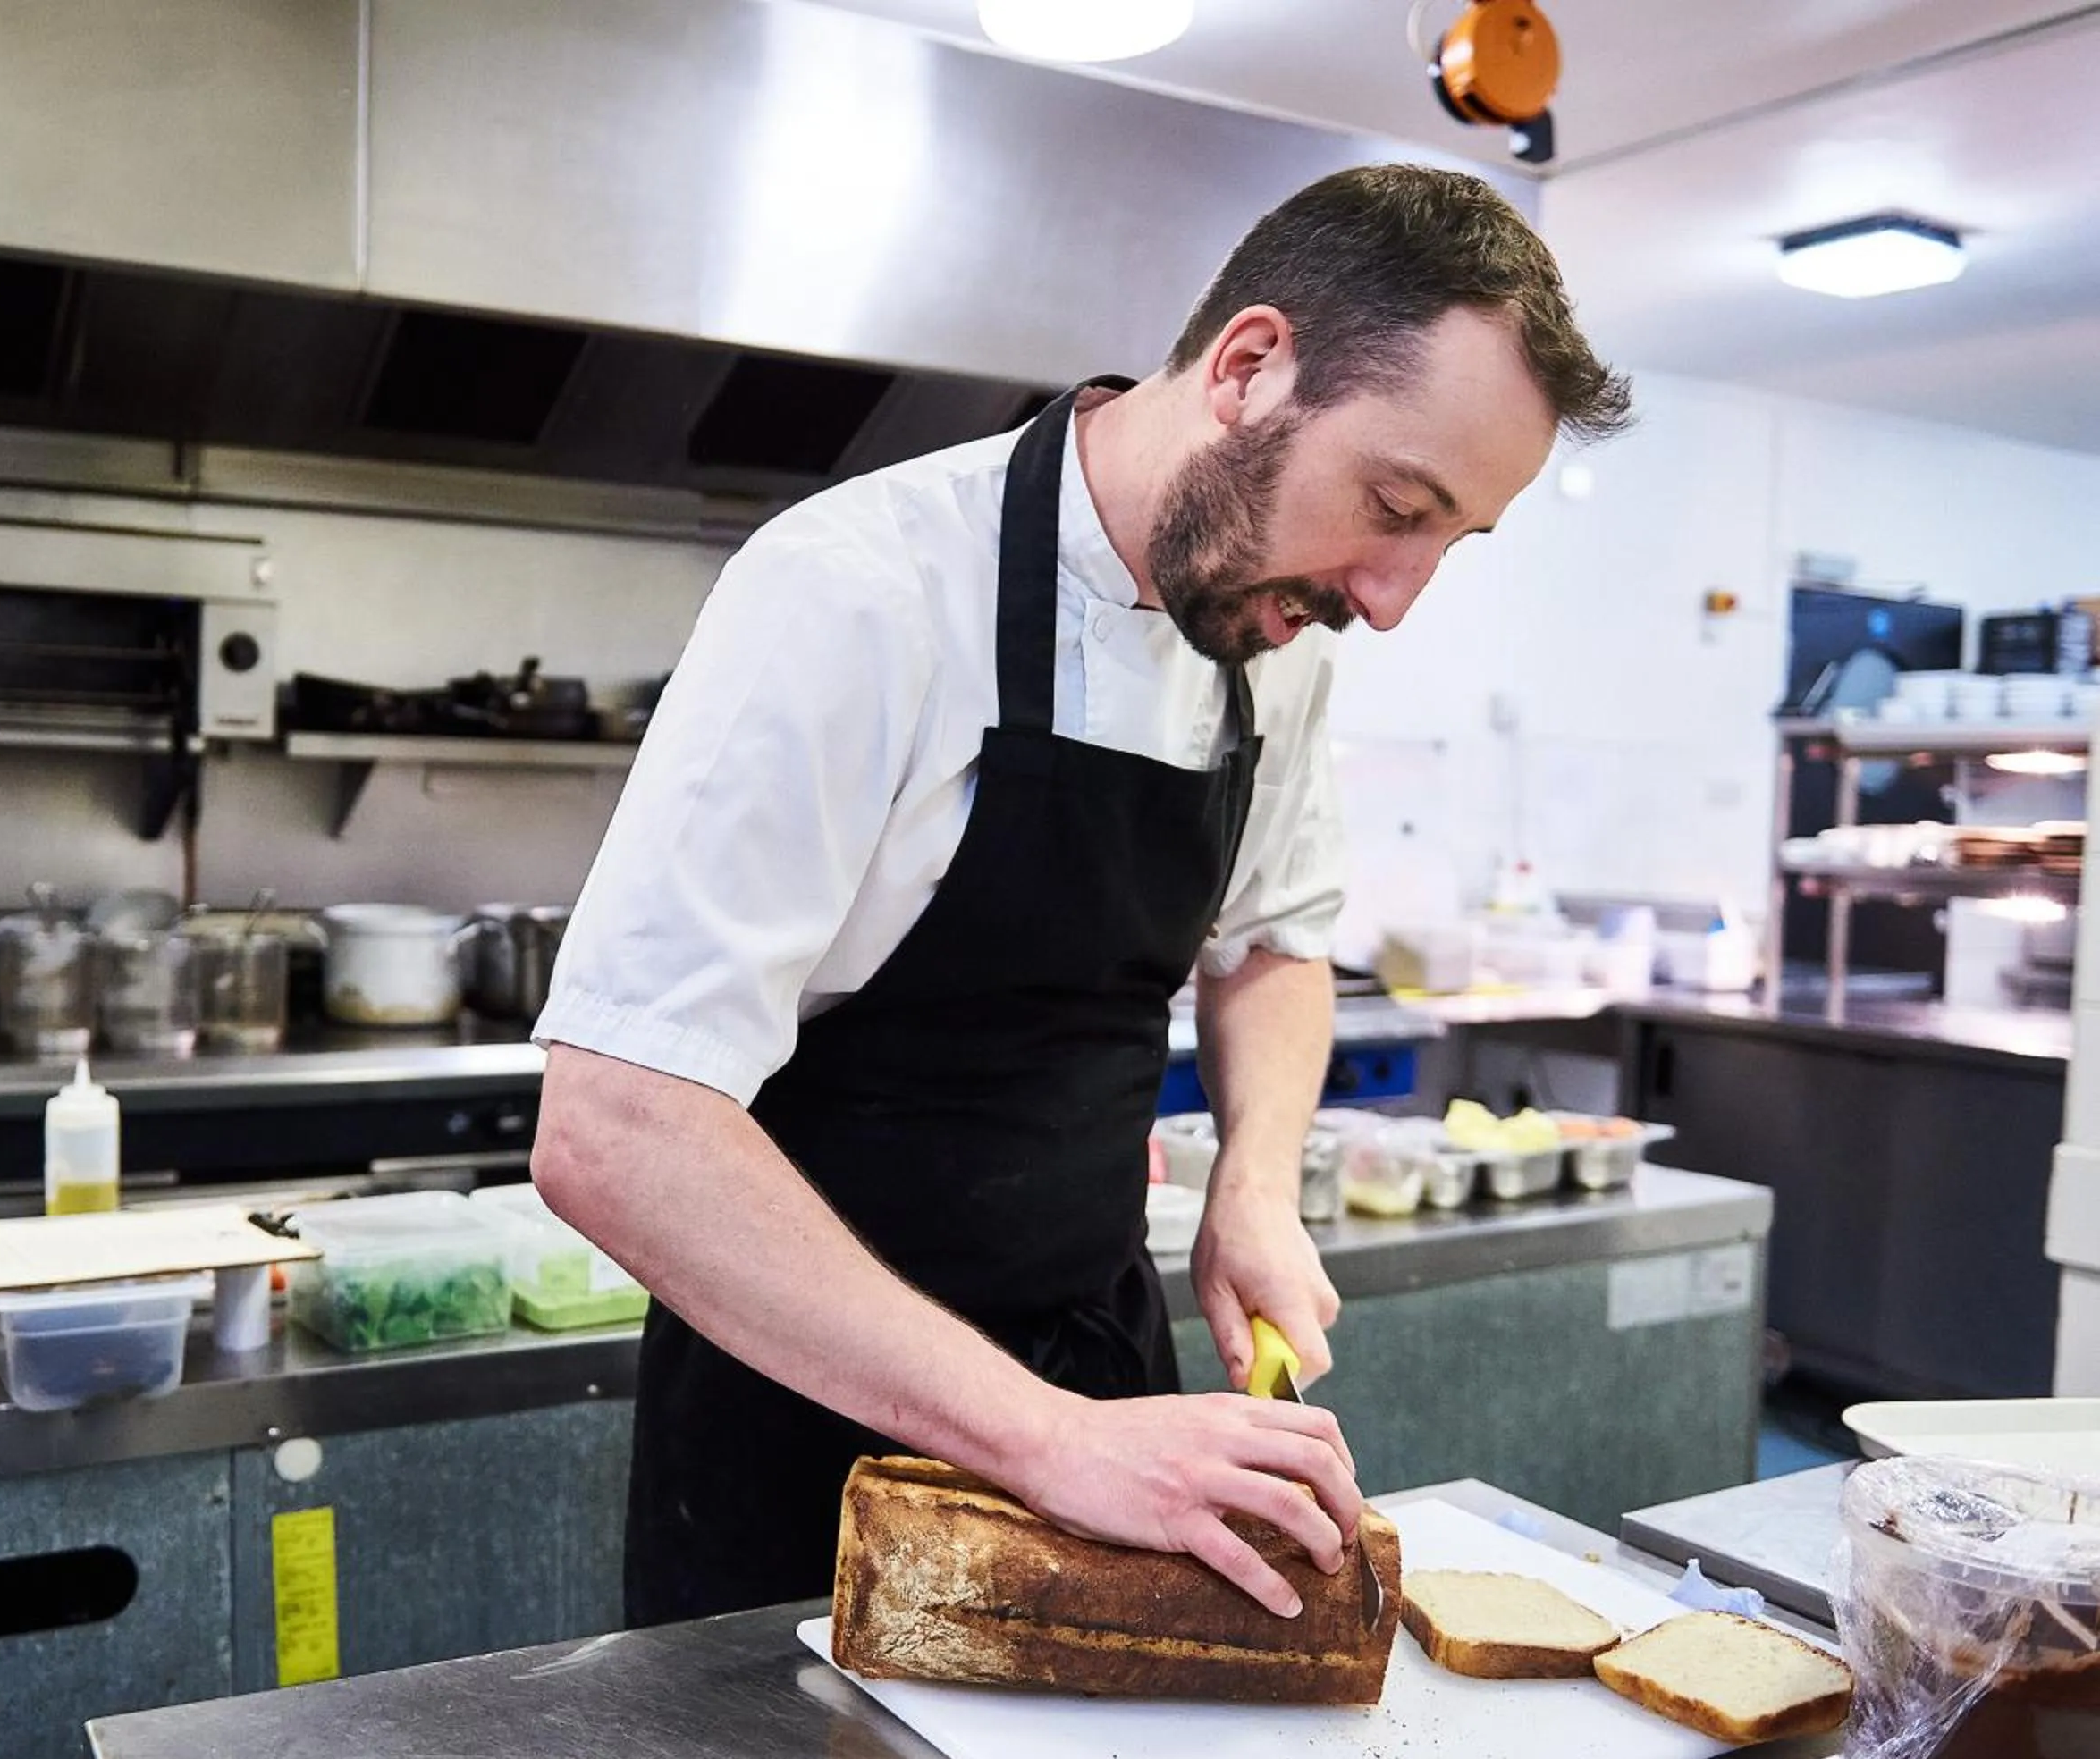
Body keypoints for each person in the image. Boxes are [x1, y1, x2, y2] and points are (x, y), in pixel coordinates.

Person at [529, 164, 1633, 1627]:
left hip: (1109, 1377)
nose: (1391, 599)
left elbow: (1276, 943)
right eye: (1392, 505)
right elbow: (615, 1124)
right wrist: (1042, 1438)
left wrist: (1255, 1178)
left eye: (1448, 543)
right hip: (807, 1421)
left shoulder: (1277, 640)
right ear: (1247, 367)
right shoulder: (859, 591)